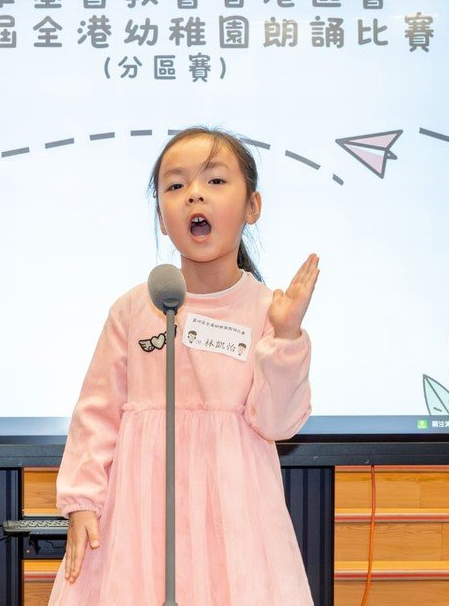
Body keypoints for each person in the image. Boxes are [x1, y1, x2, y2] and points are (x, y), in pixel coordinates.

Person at [48, 126, 319, 605]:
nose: (195, 193)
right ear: (161, 217)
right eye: (176, 185)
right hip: (140, 516)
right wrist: (82, 501)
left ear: (252, 206)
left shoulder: (268, 310)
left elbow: (276, 423)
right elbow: (97, 414)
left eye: (215, 181)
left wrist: (287, 336)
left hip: (236, 516)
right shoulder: (134, 310)